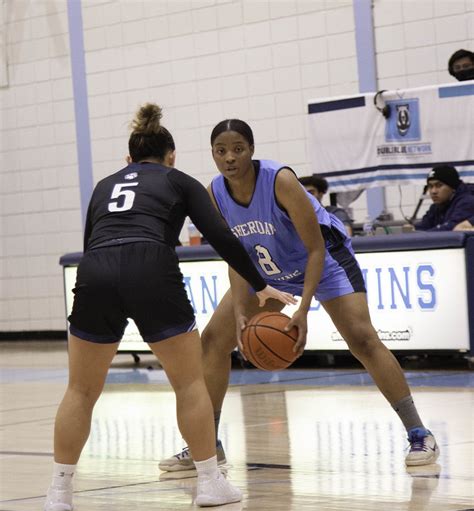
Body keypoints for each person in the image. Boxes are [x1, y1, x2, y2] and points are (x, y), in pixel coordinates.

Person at [44, 105, 295, 511]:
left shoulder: (105, 185)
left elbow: (92, 239)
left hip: (96, 269)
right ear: (171, 156)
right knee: (189, 382)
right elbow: (221, 237)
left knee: (81, 390)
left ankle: (59, 492)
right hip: (150, 265)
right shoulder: (178, 180)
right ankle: (211, 483)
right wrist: (260, 282)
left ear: (129, 159)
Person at [159, 118, 439, 474]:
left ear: (252, 150)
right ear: (212, 154)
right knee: (214, 340)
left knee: (362, 339)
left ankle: (419, 432)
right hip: (271, 270)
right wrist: (243, 310)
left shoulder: (281, 181)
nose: (230, 158)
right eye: (221, 151)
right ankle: (208, 445)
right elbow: (234, 254)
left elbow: (316, 250)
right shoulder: (214, 193)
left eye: (238, 149)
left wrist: (303, 309)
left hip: (324, 261)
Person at [414, 165, 474, 232]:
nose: (433, 191)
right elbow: (423, 226)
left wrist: (421, 235)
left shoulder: (467, 202)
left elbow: (450, 229)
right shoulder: (436, 206)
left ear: (452, 187)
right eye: (430, 186)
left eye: (439, 185)